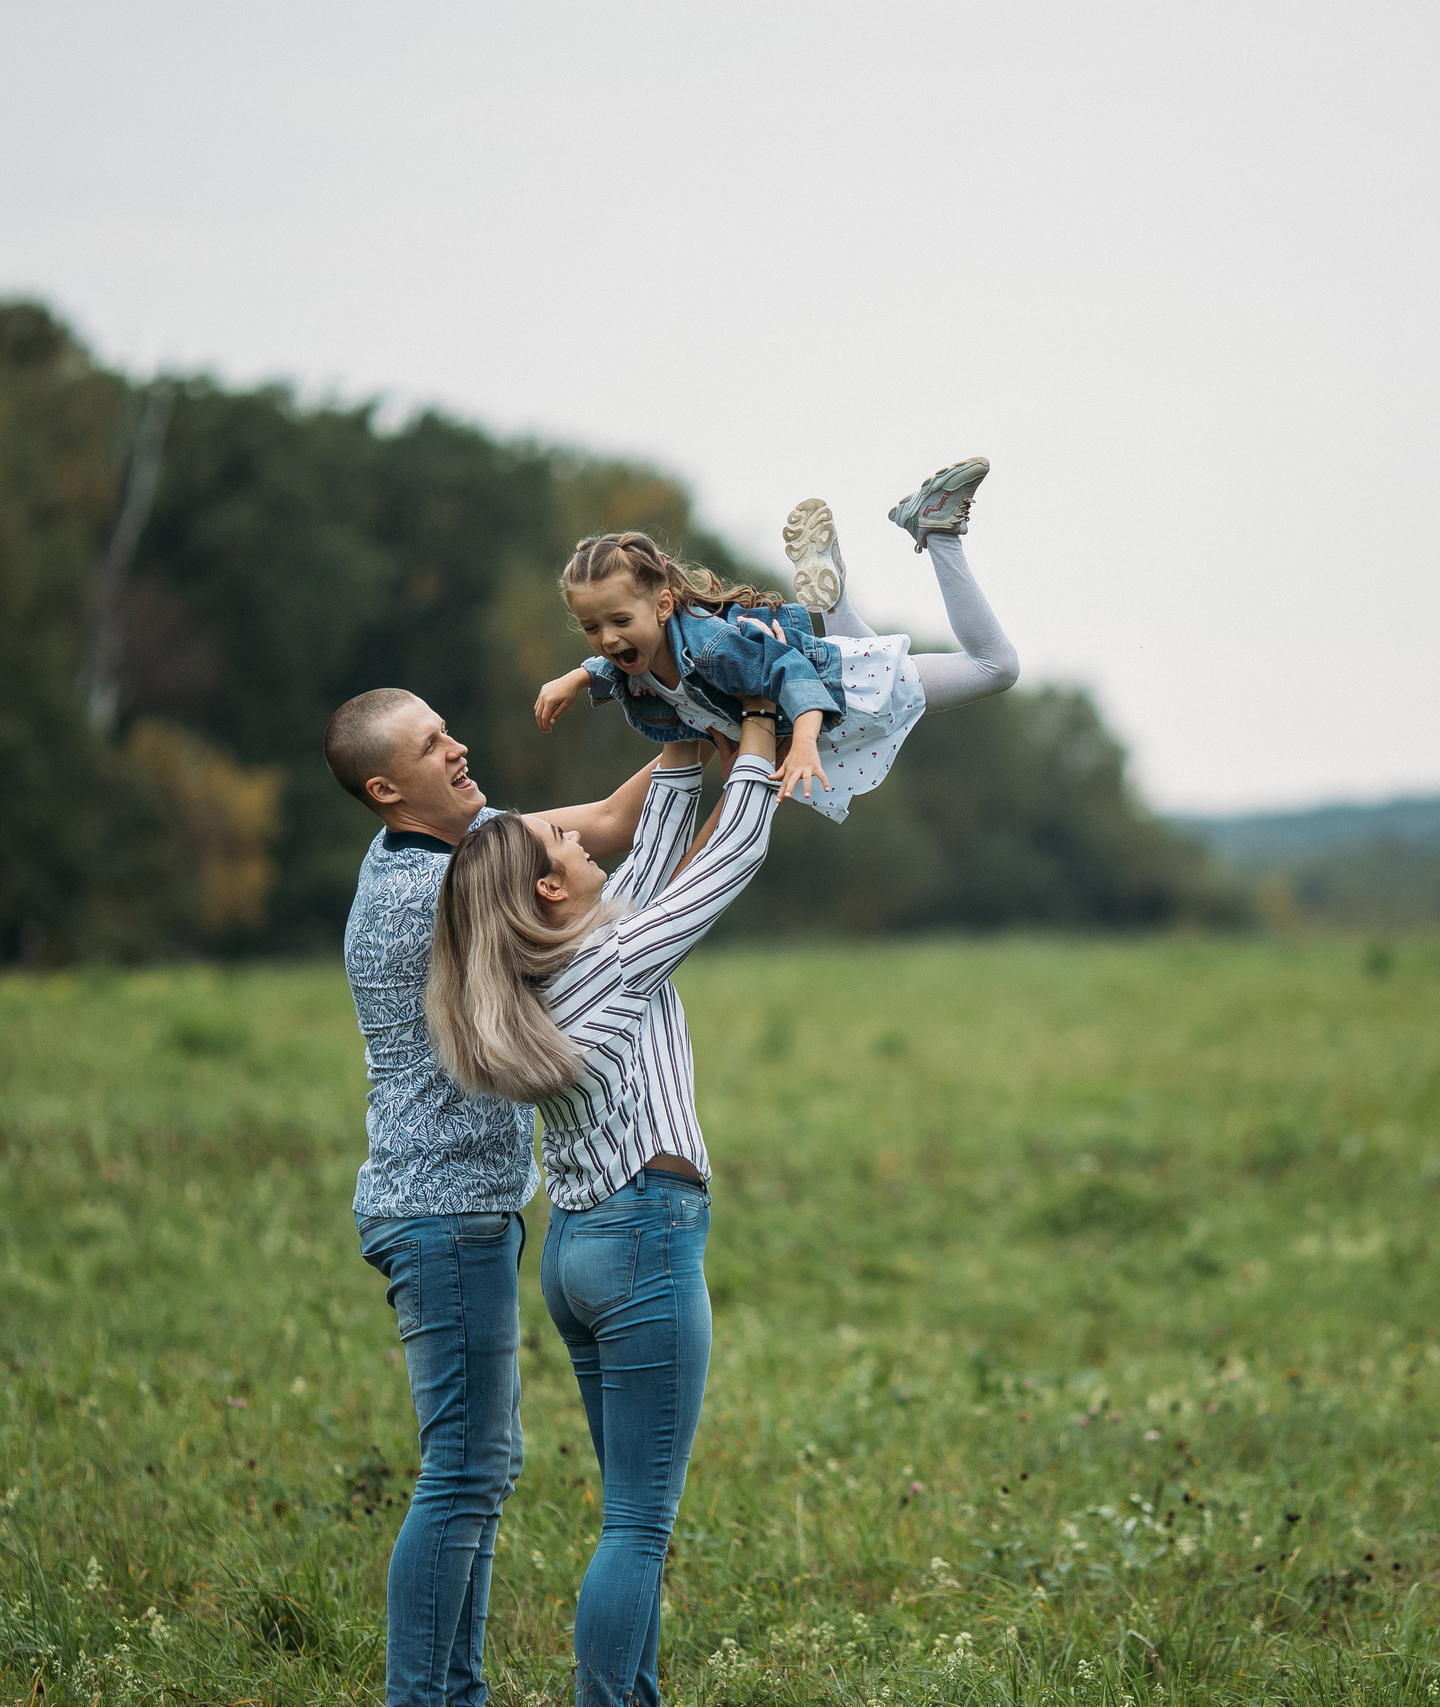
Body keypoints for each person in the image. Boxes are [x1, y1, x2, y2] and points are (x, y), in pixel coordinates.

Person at [424, 701, 787, 1707]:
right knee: (635, 1525)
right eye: (560, 838)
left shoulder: (552, 970)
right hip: (642, 1245)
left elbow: (663, 842)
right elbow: (730, 855)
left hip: (581, 1253)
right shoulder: (615, 964)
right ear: (549, 884)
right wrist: (757, 729)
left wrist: (681, 729)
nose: (578, 832)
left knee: (630, 1516)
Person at [323, 687, 660, 1707]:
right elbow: (588, 894)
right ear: (388, 788)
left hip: (457, 1211)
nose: (458, 747)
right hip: (443, 1215)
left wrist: (705, 723)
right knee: (464, 1474)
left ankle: (446, 1693)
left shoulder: (461, 850)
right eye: (433, 747)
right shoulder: (422, 893)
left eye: (448, 730)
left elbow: (601, 822)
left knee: (476, 1469)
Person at [530, 458, 1019, 823]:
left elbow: (793, 673)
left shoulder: (710, 649)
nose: (608, 639)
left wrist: (804, 743)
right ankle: (833, 590)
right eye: (592, 628)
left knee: (996, 668)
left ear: (661, 607)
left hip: (840, 696)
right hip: (838, 688)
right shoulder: (648, 663)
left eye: (618, 621)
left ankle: (937, 533)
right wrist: (576, 678)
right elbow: (618, 666)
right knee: (861, 653)